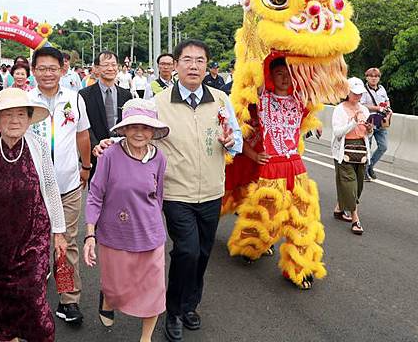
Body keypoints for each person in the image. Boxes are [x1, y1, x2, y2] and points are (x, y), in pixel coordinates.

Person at [94, 40, 242, 342]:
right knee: (186, 250)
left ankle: (190, 304)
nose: (194, 66)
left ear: (207, 65)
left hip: (213, 189)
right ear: (175, 65)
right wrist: (111, 145)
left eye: (200, 60)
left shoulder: (220, 99)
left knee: (201, 253)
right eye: (187, 60)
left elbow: (236, 137)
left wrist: (232, 142)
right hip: (176, 192)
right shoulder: (159, 102)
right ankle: (173, 310)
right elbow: (138, 132)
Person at [0, 87, 67, 342]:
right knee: (6, 304)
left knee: (34, 302)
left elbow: (52, 189)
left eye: (21, 114)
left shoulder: (40, 147)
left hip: (35, 241)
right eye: (7, 115)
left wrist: (59, 232)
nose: (14, 120)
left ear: (29, 118)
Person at [226, 56, 328, 290]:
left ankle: (299, 267)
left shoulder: (301, 100)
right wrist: (253, 155)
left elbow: (315, 75)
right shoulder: (262, 99)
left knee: (303, 217)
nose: (284, 77)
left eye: (288, 73)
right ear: (271, 76)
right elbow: (239, 131)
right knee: (266, 215)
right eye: (279, 72)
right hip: (271, 168)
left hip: (296, 166)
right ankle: (251, 246)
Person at [83, 98, 169, 342]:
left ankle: (146, 338)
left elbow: (158, 196)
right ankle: (108, 298)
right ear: (123, 129)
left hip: (151, 235)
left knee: (154, 290)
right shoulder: (109, 154)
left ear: (153, 130)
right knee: (116, 285)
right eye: (133, 126)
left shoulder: (159, 158)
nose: (139, 132)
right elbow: (95, 196)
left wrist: (149, 222)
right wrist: (90, 235)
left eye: (145, 127)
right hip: (114, 235)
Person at [28, 46, 92, 324]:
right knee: (35, 244)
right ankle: (34, 296)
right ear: (33, 71)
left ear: (63, 70)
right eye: (41, 68)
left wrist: (86, 166)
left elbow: (83, 135)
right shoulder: (25, 100)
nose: (47, 73)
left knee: (65, 243)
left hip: (67, 185)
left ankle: (68, 299)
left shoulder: (75, 99)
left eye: (52, 68)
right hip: (32, 188)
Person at [79, 51, 132, 176]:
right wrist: (95, 145)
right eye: (106, 65)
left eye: (114, 65)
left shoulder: (126, 95)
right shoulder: (84, 95)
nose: (111, 68)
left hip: (122, 152)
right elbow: (84, 127)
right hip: (96, 153)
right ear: (96, 68)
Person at [332, 77, 373, 235]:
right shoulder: (339, 110)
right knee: (349, 184)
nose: (358, 96)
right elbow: (337, 133)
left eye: (360, 94)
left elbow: (368, 134)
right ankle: (355, 218)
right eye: (355, 93)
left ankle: (339, 209)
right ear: (346, 92)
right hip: (345, 151)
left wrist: (369, 128)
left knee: (358, 186)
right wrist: (353, 122)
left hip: (361, 151)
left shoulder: (365, 109)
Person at [360, 67, 391, 181]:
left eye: (376, 76)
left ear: (379, 78)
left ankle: (370, 166)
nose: (373, 78)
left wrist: (388, 108)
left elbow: (387, 100)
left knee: (383, 146)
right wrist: (377, 108)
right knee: (367, 146)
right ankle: (364, 170)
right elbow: (362, 105)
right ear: (367, 77)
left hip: (381, 121)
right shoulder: (363, 90)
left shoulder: (382, 89)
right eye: (371, 76)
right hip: (369, 121)